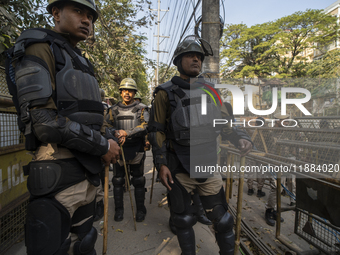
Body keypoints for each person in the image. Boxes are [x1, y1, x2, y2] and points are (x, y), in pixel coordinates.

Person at [8, 1, 121, 254]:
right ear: (56, 13)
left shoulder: (81, 60)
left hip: (90, 170)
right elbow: (45, 124)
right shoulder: (39, 47)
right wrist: (102, 144)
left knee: (85, 242)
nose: (87, 21)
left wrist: (109, 136)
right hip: (58, 170)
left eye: (90, 16)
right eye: (79, 12)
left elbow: (92, 114)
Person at [148, 35, 253, 255]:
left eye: (199, 57)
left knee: (223, 221)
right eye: (190, 56)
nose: (196, 60)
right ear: (178, 61)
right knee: (183, 220)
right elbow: (156, 130)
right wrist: (161, 164)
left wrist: (241, 137)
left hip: (207, 165)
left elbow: (226, 123)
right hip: (178, 167)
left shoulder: (212, 91)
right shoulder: (164, 93)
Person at [106, 78, 149, 222]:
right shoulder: (112, 110)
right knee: (118, 181)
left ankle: (140, 209)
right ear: (120, 92)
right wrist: (116, 133)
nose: (127, 93)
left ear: (134, 92)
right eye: (124, 90)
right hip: (118, 150)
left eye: (130, 90)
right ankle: (119, 210)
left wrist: (127, 132)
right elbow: (105, 126)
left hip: (136, 149)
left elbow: (146, 126)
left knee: (138, 181)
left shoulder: (142, 109)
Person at [247, 117, 266, 197]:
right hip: (262, 154)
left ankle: (250, 189)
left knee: (250, 172)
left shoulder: (252, 132)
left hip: (252, 153)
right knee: (260, 172)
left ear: (256, 124)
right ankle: (259, 190)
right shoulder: (266, 132)